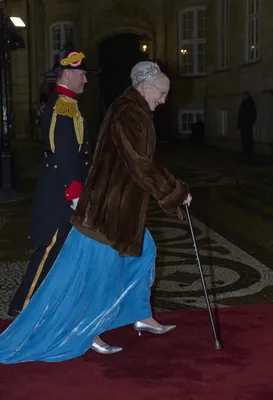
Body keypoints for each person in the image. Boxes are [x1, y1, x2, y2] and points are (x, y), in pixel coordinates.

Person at [0, 61, 191, 363]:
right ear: (145, 86)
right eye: (162, 92)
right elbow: (139, 162)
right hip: (108, 208)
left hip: (120, 205)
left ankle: (141, 315)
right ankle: (86, 331)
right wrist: (175, 191)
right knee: (96, 274)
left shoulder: (134, 109)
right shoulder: (129, 112)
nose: (164, 99)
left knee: (145, 254)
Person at [8, 46, 91, 317]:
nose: (85, 80)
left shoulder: (67, 104)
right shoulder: (62, 106)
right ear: (67, 74)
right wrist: (75, 192)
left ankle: (48, 302)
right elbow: (63, 150)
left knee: (59, 250)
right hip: (60, 192)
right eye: (82, 74)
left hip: (63, 189)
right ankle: (23, 305)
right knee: (49, 249)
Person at [237, 91, 257, 162]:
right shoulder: (244, 103)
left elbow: (253, 115)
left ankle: (248, 154)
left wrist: (249, 123)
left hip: (247, 125)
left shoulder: (249, 103)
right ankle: (246, 153)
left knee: (247, 139)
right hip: (244, 125)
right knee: (244, 139)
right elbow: (241, 114)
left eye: (243, 96)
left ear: (247, 96)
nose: (242, 97)